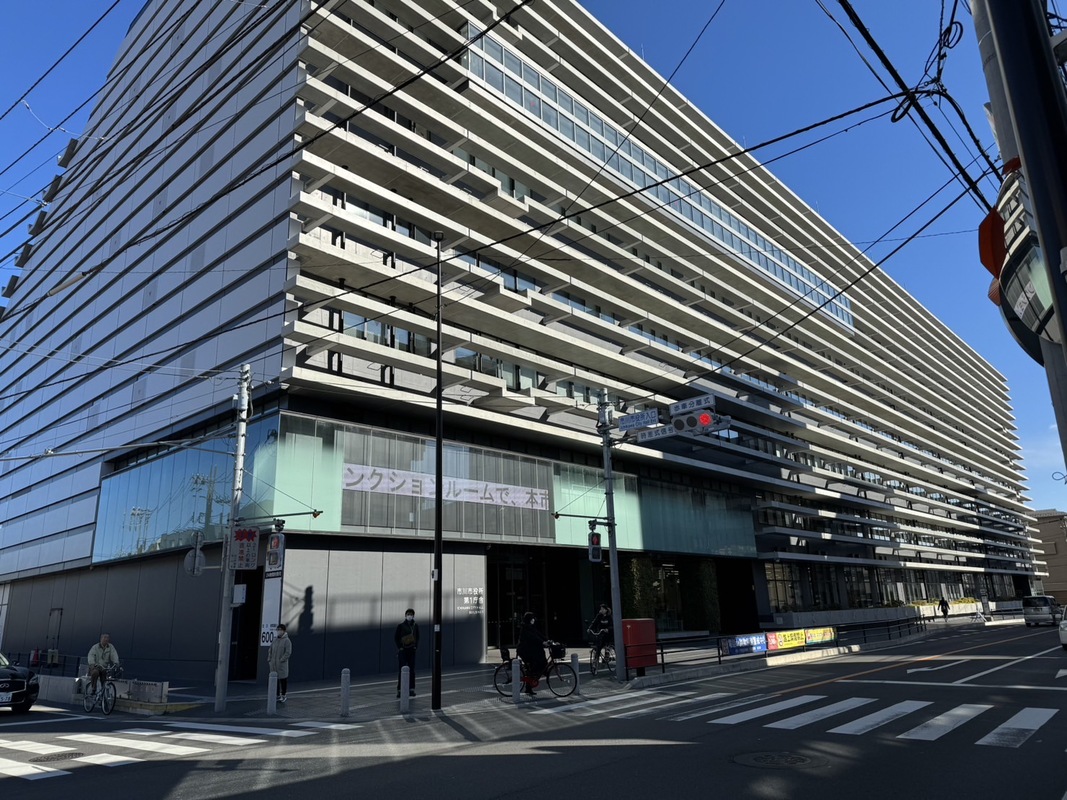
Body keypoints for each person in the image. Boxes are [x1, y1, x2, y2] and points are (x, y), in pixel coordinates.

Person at [516, 611, 548, 695]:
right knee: (535, 663)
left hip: (529, 650)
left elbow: (538, 635)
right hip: (524, 651)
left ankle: (529, 687)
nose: (533, 620)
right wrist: (542, 642)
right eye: (532, 618)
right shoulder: (525, 628)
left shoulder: (531, 627)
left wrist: (547, 640)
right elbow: (533, 638)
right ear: (529, 619)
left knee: (538, 659)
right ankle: (531, 680)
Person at [394, 608, 419, 698]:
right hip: (403, 650)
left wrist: (415, 647)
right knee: (402, 670)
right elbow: (396, 637)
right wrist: (400, 647)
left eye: (411, 614)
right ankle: (400, 690)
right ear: (405, 615)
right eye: (408, 614)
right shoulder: (400, 626)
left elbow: (417, 637)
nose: (409, 616)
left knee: (412, 670)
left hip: (411, 650)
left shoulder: (415, 626)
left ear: (413, 616)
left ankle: (411, 689)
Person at [267, 623, 292, 702]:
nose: (278, 631)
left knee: (283, 680)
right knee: (275, 680)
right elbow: (270, 650)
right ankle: (277, 695)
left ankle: (283, 695)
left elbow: (288, 652)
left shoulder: (287, 641)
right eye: (277, 630)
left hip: (281, 665)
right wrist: (269, 659)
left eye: (280, 630)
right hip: (273, 664)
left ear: (284, 631)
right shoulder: (275, 640)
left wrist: (281, 660)